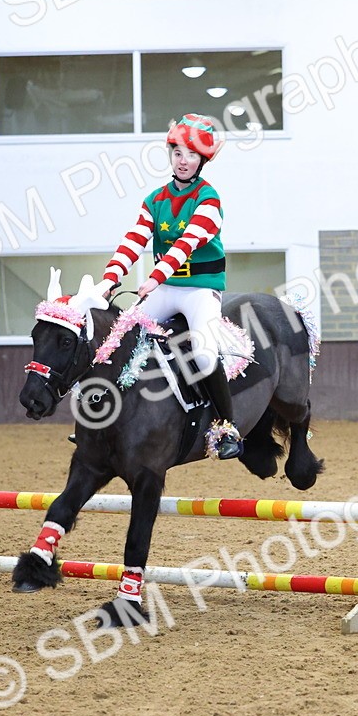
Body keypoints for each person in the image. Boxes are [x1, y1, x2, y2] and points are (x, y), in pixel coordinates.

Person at [100, 113, 242, 459]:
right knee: (116, 338)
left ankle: (226, 428)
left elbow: (185, 245)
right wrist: (110, 278)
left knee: (206, 353)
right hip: (163, 288)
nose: (183, 161)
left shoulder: (209, 199)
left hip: (198, 290)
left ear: (202, 160)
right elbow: (133, 240)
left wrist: (154, 277)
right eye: (177, 152)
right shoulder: (155, 199)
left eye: (191, 155)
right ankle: (104, 420)